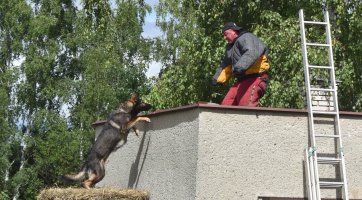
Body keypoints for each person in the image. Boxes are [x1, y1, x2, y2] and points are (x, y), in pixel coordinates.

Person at [212, 22, 269, 106]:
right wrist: (218, 79)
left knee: (244, 109)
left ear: (234, 31)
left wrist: (239, 68)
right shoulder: (230, 47)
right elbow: (227, 65)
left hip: (255, 78)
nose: (224, 37)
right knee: (225, 107)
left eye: (225, 34)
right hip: (241, 80)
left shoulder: (247, 37)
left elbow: (252, 53)